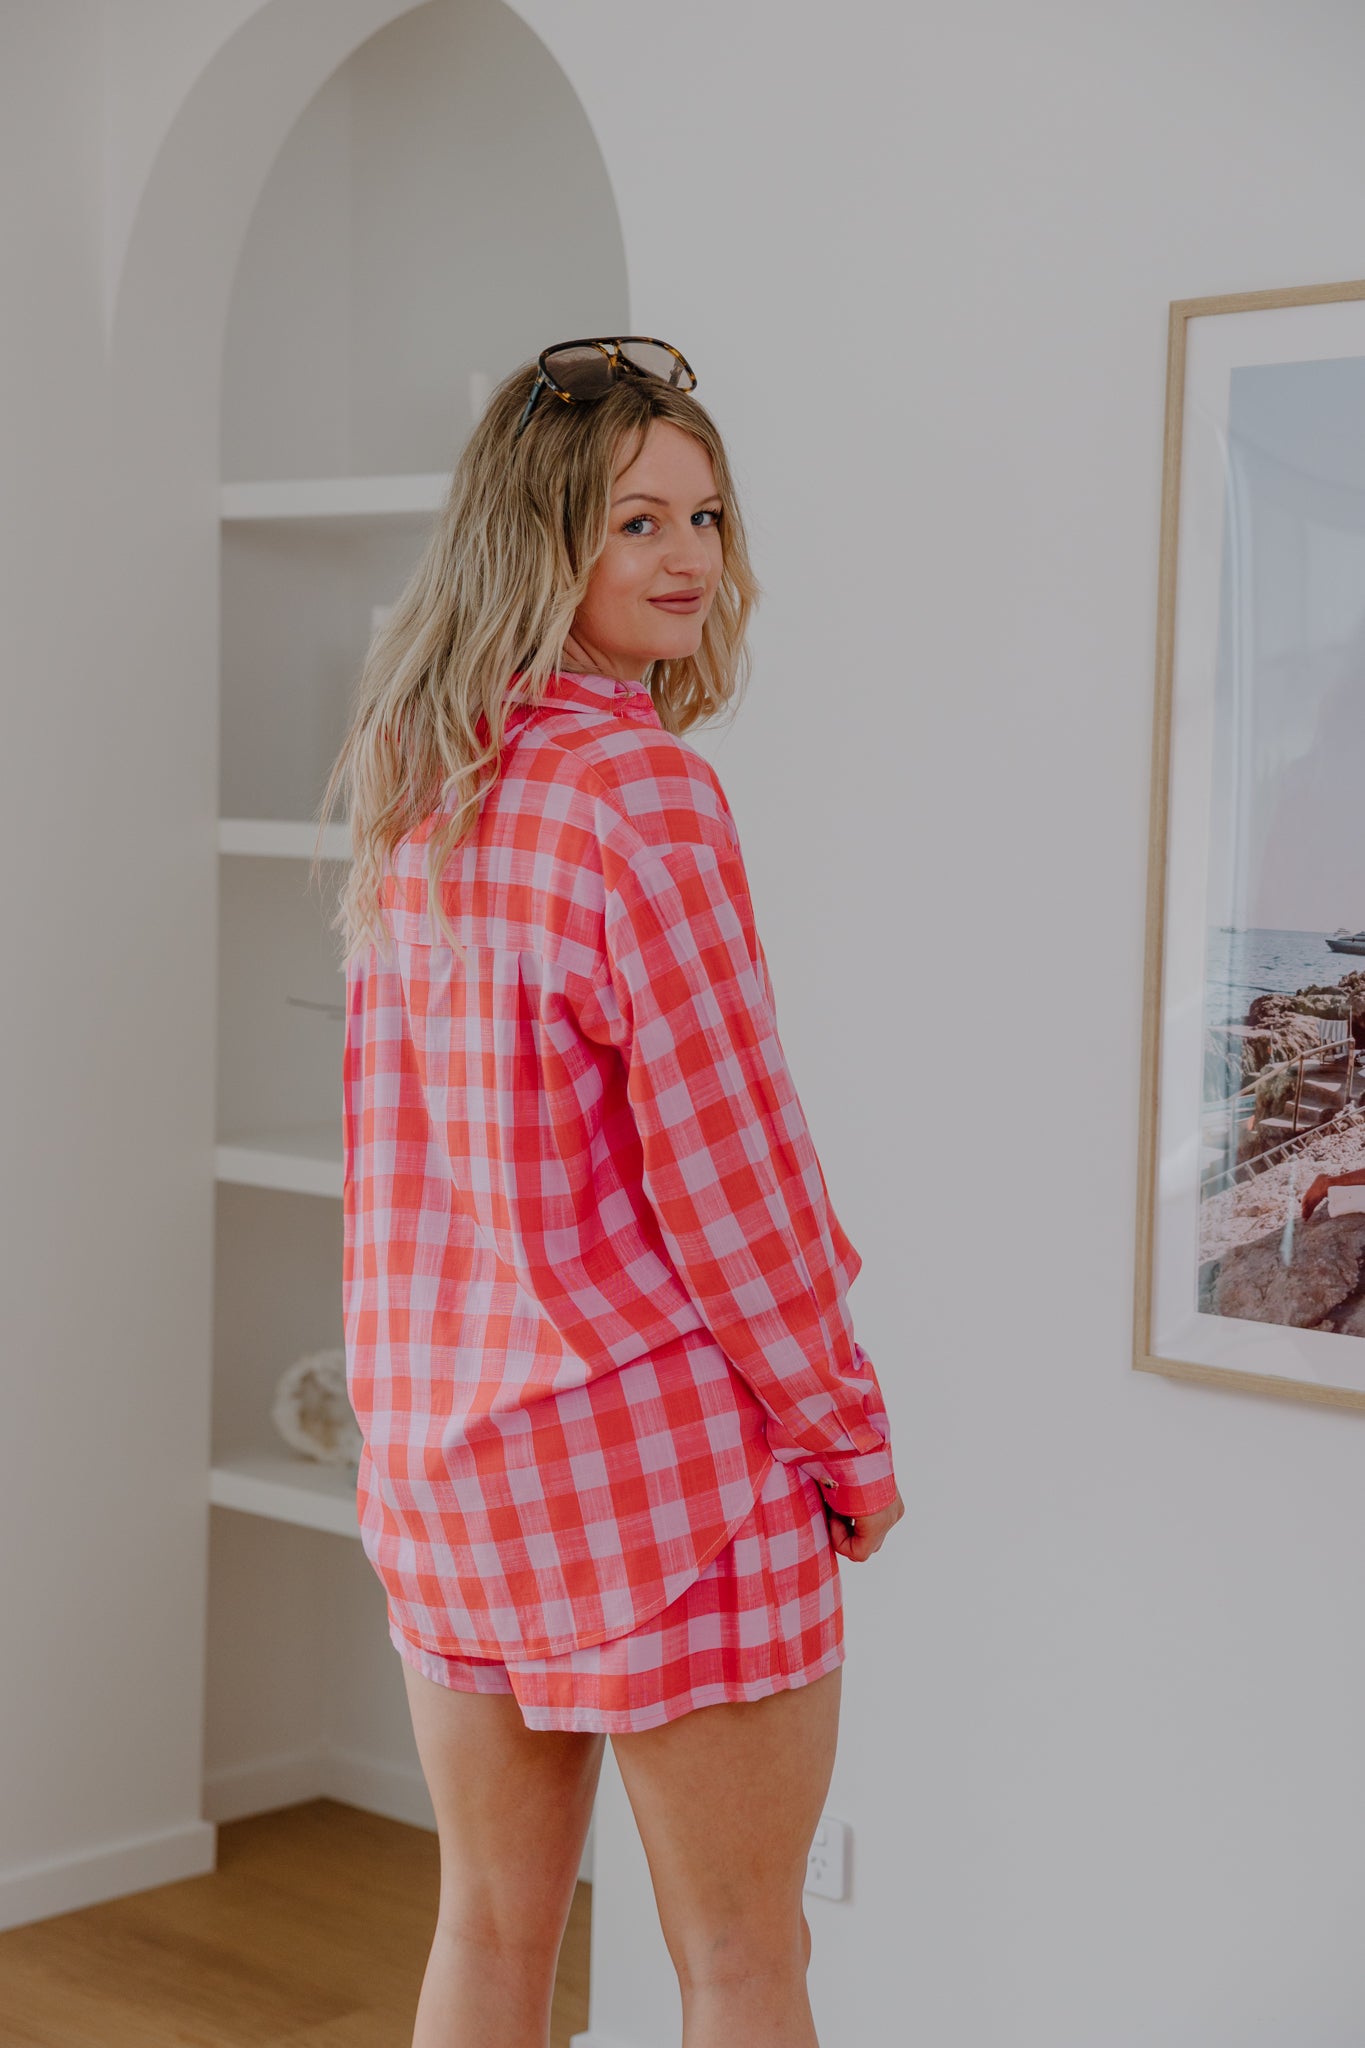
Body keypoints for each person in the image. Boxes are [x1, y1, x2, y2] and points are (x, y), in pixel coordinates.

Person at [314, 337, 904, 2048]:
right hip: (660, 1477)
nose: (686, 557)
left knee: (488, 1936)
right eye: (633, 520)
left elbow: (395, 1162)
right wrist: (844, 1438)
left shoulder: (417, 780)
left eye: (703, 516)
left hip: (450, 1467)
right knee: (741, 1960)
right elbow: (734, 1177)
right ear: (537, 540)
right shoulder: (639, 793)